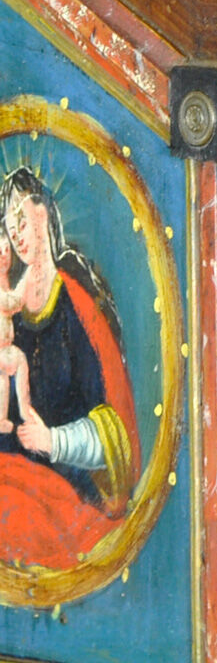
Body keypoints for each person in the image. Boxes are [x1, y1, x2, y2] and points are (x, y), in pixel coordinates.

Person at [0, 167, 140, 567]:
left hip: (62, 486)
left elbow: (113, 436)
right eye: (11, 228)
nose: (18, 234)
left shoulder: (75, 302)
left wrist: (52, 440)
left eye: (22, 219)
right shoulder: (8, 310)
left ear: (45, 210)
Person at [0, 224, 34, 433]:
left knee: (2, 383)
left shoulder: (3, 279)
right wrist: (26, 281)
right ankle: (25, 411)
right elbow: (12, 303)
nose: (4, 256)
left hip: (3, 348)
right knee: (20, 361)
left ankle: (1, 419)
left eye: (6, 250)